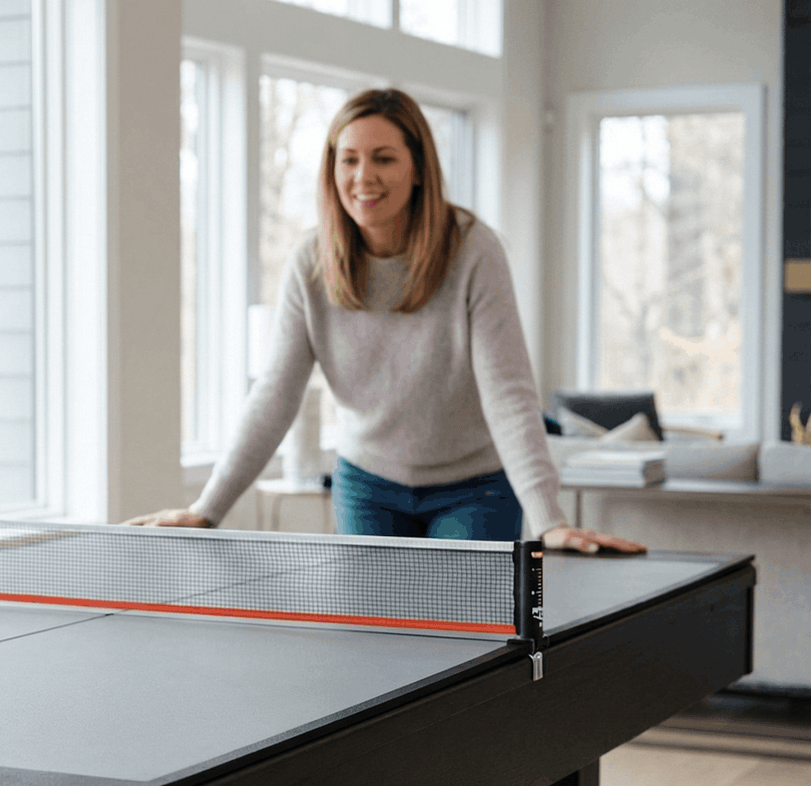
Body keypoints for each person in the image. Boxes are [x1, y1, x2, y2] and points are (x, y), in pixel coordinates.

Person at [130, 88, 643, 556]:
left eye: (384, 158)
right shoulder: (311, 263)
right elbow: (275, 395)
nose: (363, 177)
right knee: (375, 625)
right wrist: (207, 509)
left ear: (418, 168)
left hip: (475, 487)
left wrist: (549, 520)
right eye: (348, 159)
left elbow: (508, 393)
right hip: (367, 484)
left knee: (460, 624)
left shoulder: (473, 250)